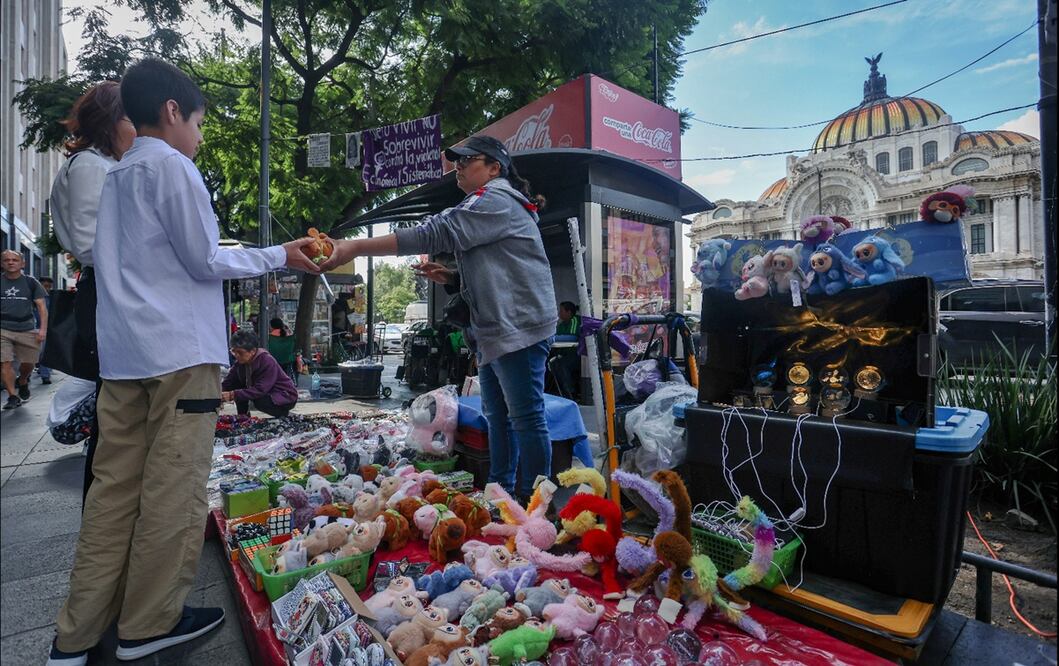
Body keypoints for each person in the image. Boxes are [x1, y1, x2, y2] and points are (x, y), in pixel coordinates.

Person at [47, 58, 320, 666]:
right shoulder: (174, 166)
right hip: (178, 355)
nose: (198, 135)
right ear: (172, 113)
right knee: (173, 491)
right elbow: (202, 259)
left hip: (124, 359)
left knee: (113, 494)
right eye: (197, 122)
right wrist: (281, 254)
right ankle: (149, 624)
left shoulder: (115, 175)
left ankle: (77, 634)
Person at [319, 135, 557, 502]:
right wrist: (452, 277)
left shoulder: (495, 198)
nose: (458, 166)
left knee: (526, 419)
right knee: (498, 417)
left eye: (468, 160)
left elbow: (436, 231)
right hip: (496, 331)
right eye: (456, 161)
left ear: (494, 168)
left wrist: (354, 245)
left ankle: (535, 506)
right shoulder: (491, 203)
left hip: (519, 329)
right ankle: (500, 495)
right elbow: (502, 272)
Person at [49, 80, 137, 499]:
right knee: (111, 412)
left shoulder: (98, 163)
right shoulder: (89, 165)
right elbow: (89, 242)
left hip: (106, 288)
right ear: (112, 121)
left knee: (114, 412)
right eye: (132, 118)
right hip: (105, 291)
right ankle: (102, 505)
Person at [1, 250, 48, 409]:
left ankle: (22, 380)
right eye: (7, 260)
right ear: (2, 263)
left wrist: (42, 329)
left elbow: (42, 307)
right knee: (5, 362)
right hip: (3, 329)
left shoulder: (31, 282)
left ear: (22, 263)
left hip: (27, 328)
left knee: (29, 362)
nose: (11, 262)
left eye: (15, 260)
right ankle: (13, 396)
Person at [222, 329, 298, 417]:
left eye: (240, 352)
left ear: (253, 351)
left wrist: (232, 395)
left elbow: (260, 390)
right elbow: (229, 381)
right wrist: (218, 394)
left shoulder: (266, 361)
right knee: (237, 385)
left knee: (259, 400)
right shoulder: (240, 364)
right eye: (234, 351)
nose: (236, 355)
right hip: (266, 392)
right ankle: (243, 416)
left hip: (284, 395)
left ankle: (285, 415)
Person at [551, 301, 581, 398]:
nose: (559, 313)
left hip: (578, 356)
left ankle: (570, 393)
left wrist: (551, 339)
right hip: (564, 354)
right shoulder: (562, 325)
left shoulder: (574, 321)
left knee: (561, 365)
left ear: (569, 312)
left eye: (561, 311)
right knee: (551, 363)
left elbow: (572, 337)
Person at [36, 276, 54, 384]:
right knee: (32, 354)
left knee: (45, 353)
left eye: (48, 286)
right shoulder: (33, 297)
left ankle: (45, 375)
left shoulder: (51, 298)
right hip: (32, 327)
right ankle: (25, 376)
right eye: (44, 286)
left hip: (46, 329)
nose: (46, 288)